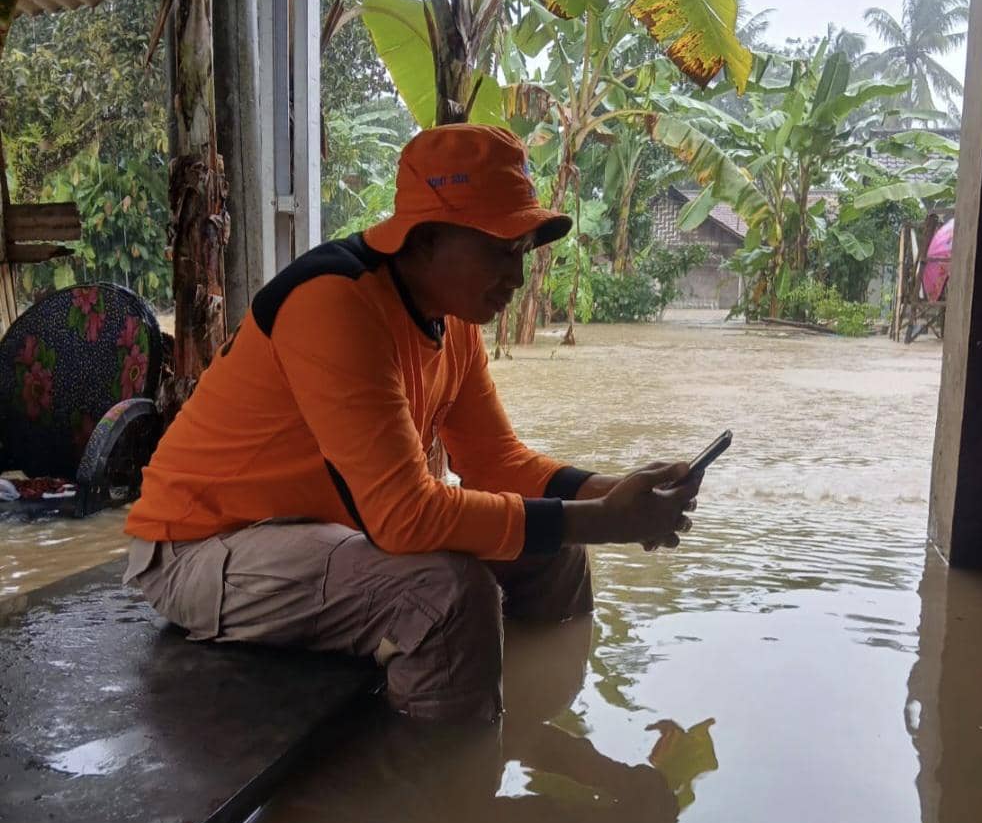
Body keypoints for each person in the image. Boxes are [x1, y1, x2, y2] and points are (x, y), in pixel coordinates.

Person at [124, 124, 700, 723]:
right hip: (198, 548)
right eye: (501, 249)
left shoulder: (454, 324)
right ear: (425, 240)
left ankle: (542, 743)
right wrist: (608, 521)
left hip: (324, 532)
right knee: (446, 596)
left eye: (523, 252)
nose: (519, 277)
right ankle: (447, 792)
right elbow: (404, 517)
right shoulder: (336, 304)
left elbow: (497, 461)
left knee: (559, 552)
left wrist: (620, 494)